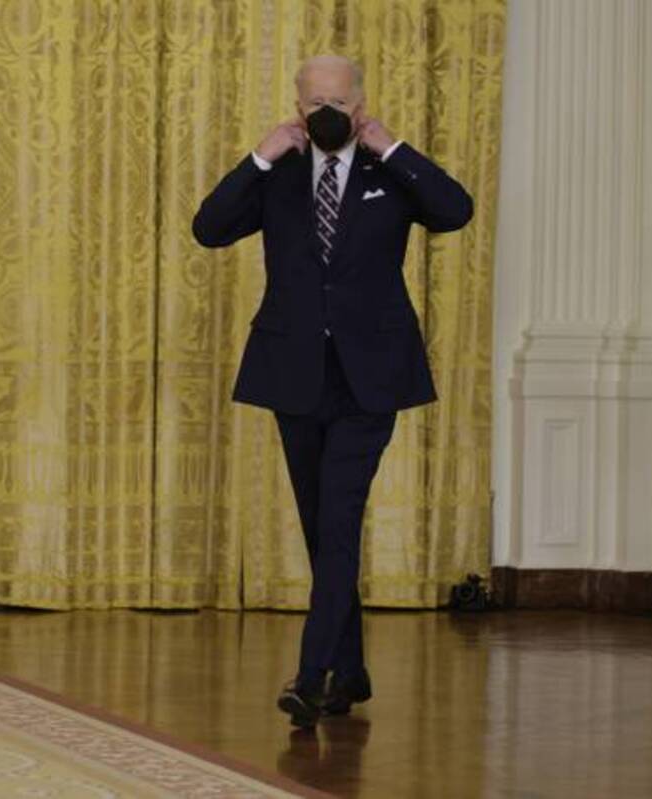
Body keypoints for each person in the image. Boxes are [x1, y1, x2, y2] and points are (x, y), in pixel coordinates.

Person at [191, 54, 473, 727]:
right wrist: (258, 158)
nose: (326, 112)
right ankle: (350, 671)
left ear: (359, 103)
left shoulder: (387, 171)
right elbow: (209, 228)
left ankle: (313, 670)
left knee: (338, 517)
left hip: (370, 374)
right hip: (294, 373)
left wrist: (393, 146)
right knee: (323, 528)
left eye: (338, 102)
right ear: (297, 103)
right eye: (314, 100)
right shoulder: (280, 174)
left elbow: (453, 210)